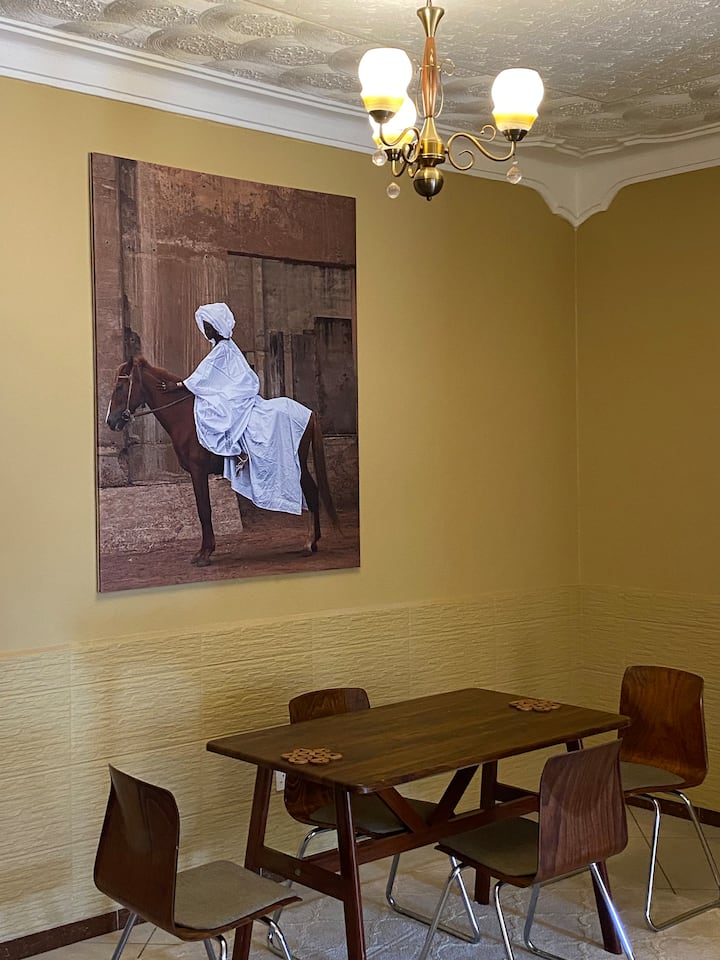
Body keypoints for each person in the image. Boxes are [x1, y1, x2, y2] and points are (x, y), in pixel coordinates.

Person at [160, 302, 312, 515]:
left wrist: (177, 386)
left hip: (238, 391)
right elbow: (210, 378)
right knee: (213, 407)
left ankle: (237, 449)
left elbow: (202, 376)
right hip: (231, 389)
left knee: (221, 413)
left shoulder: (223, 349)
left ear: (217, 326)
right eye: (205, 327)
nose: (206, 331)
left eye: (209, 326)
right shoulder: (222, 348)